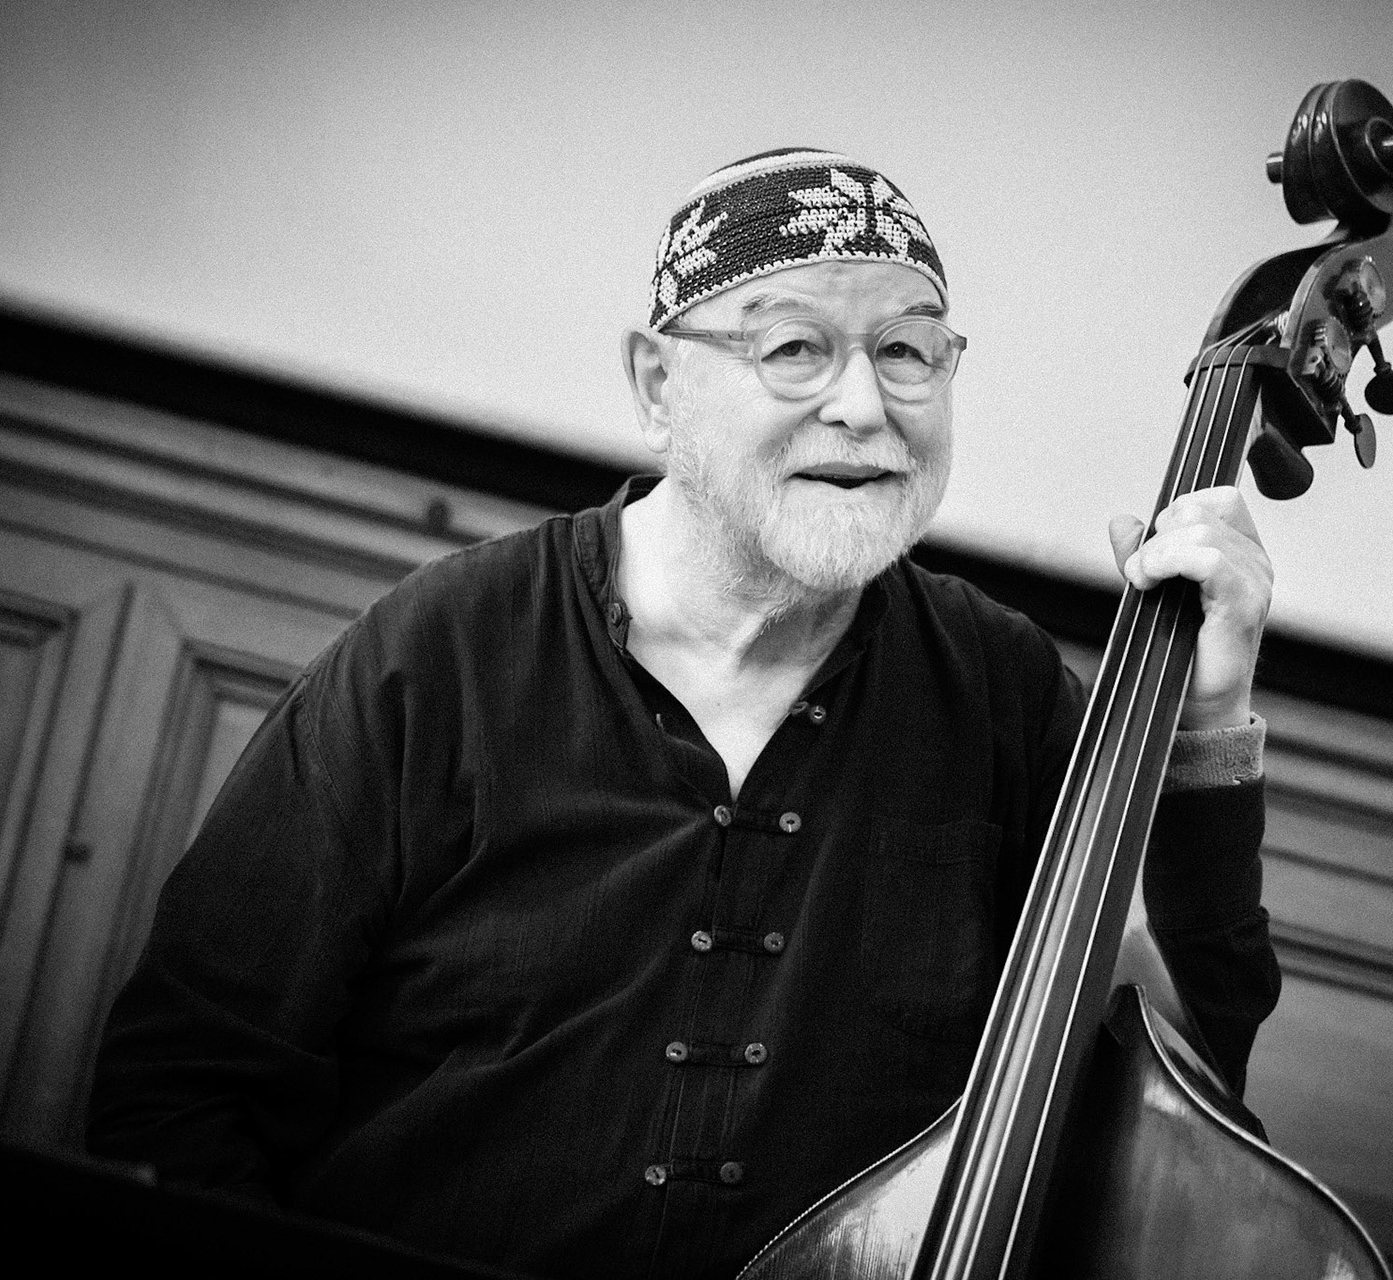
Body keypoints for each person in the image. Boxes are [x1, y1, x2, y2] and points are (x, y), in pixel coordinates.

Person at [88, 148, 1280, 1280]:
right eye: (796, 350)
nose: (865, 406)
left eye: (910, 352)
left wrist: (1206, 710)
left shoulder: (1002, 690)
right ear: (659, 383)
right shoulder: (440, 654)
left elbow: (1177, 1076)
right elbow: (186, 1087)